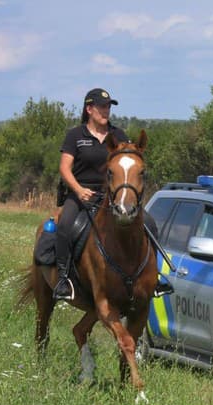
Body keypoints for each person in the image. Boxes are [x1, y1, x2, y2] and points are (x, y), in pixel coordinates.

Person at [53, 88, 129, 301]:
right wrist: (78, 190)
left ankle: (153, 276)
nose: (106, 111)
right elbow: (64, 168)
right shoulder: (76, 136)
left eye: (108, 107)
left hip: (110, 196)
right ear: (89, 109)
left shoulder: (119, 135)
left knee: (146, 223)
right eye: (102, 107)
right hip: (80, 194)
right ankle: (63, 279)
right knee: (65, 225)